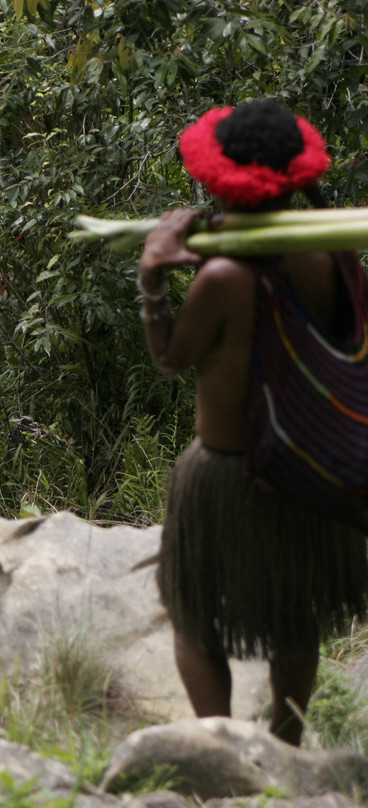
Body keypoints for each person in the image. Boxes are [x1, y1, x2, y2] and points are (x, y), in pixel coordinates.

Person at [138, 99, 368, 746]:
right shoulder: (329, 254)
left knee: (193, 623)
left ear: (219, 181)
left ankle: (223, 753)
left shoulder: (222, 275)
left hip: (228, 474)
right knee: (295, 624)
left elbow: (170, 360)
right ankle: (285, 749)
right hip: (303, 469)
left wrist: (152, 274)